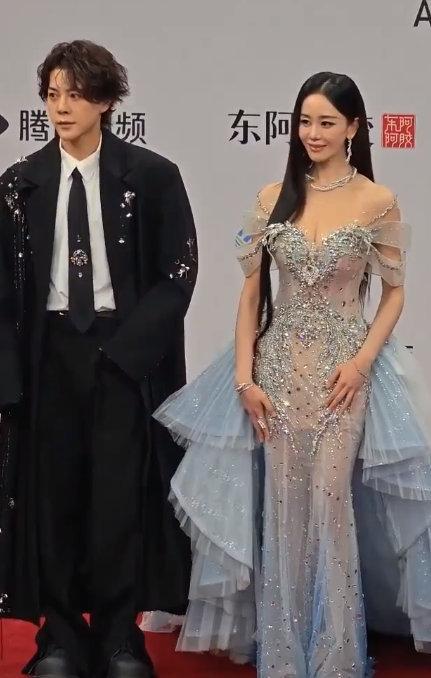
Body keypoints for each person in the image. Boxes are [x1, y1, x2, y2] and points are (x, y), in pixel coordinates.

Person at [154, 72, 431, 677]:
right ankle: (283, 652)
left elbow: (394, 294)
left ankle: (335, 653)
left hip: (342, 377)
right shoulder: (272, 196)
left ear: (353, 127)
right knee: (282, 505)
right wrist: (245, 379)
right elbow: (251, 296)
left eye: (327, 122)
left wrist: (360, 362)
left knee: (330, 505)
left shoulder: (377, 201)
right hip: (276, 371)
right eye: (305, 121)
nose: (313, 133)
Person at [0, 40, 197, 678]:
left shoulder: (152, 176)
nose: (62, 107)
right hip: (47, 356)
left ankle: (119, 638)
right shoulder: (19, 185)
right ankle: (58, 636)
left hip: (122, 356)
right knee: (51, 498)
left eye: (77, 94)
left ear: (107, 100)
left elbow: (177, 273)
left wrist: (129, 354)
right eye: (52, 94)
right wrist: (10, 377)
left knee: (118, 499)